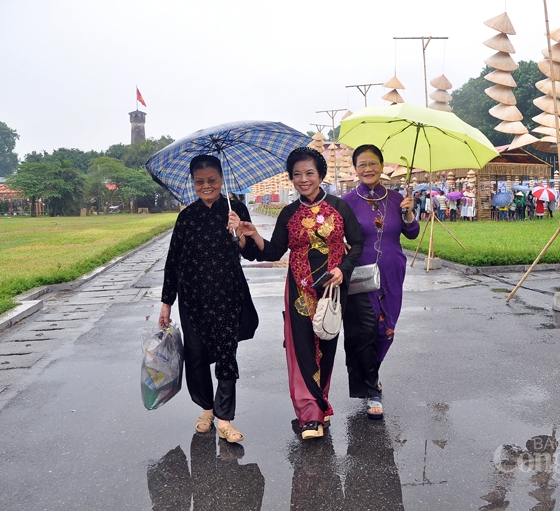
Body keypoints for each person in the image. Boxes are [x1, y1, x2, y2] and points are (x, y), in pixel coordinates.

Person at [236, 147, 364, 440]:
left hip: (332, 289)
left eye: (309, 173)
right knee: (304, 347)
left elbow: (357, 244)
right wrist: (253, 235)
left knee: (327, 345)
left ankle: (322, 405)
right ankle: (310, 416)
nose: (303, 179)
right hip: (299, 289)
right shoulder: (289, 213)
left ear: (321, 175)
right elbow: (273, 251)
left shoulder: (340, 207)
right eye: (297, 175)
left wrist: (344, 269)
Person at [158, 154, 258, 443]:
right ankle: (207, 408)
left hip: (228, 296)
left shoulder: (235, 209)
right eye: (200, 181)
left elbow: (250, 252)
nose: (206, 186)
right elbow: (173, 261)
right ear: (193, 183)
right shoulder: (187, 217)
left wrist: (239, 232)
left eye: (212, 180)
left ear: (221, 179)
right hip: (193, 299)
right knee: (197, 356)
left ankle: (225, 418)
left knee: (227, 356)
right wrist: (167, 303)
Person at [342, 144, 420, 419]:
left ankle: (371, 374)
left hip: (392, 271)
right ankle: (372, 388)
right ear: (355, 169)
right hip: (360, 274)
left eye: (372, 163)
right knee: (365, 331)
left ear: (382, 166)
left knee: (386, 328)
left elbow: (411, 234)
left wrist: (409, 214)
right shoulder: (347, 201)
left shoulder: (399, 198)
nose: (367, 169)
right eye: (361, 164)